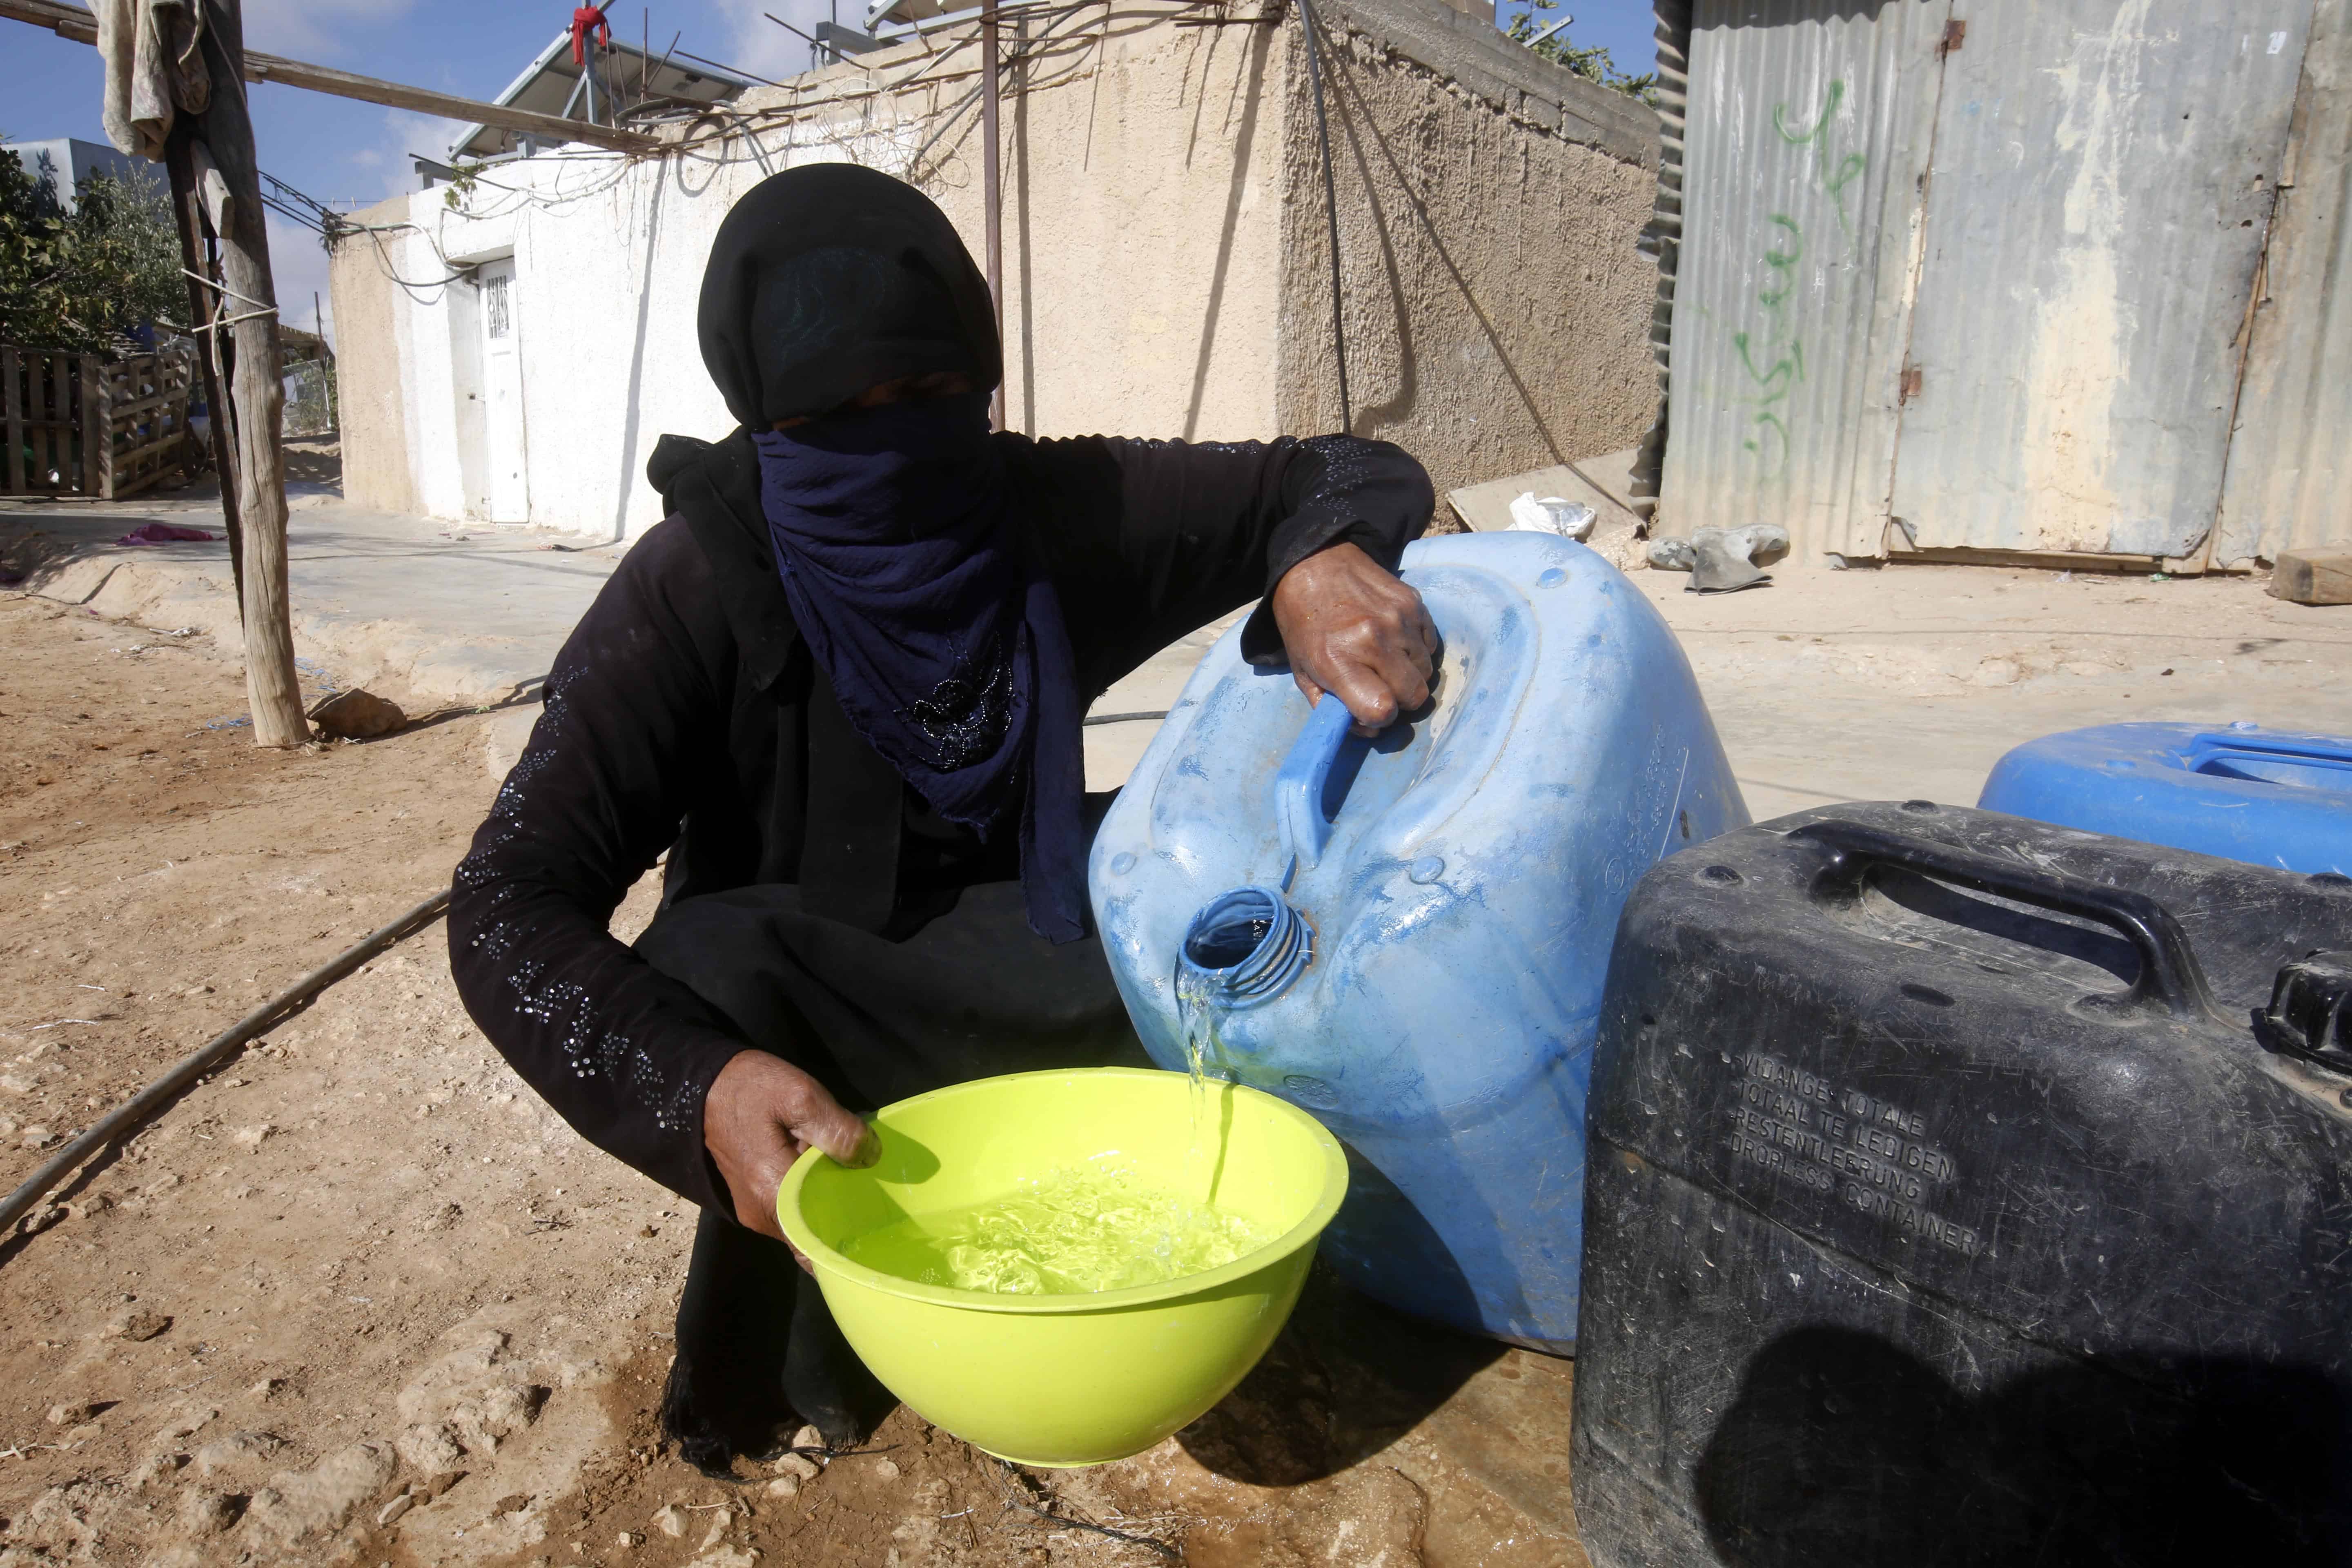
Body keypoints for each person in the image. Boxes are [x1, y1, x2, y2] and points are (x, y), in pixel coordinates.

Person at [448, 163, 1439, 1474]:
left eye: (925, 394)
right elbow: (504, 904)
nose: (893, 444)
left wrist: (1317, 555)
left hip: (1037, 942)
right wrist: (698, 1086)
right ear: (764, 409)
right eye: (837, 414)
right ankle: (806, 1356)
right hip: (820, 1003)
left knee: (1256, 919)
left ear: (977, 381)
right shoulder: (694, 584)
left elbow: (1341, 468)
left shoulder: (1053, 512)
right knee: (710, 965)